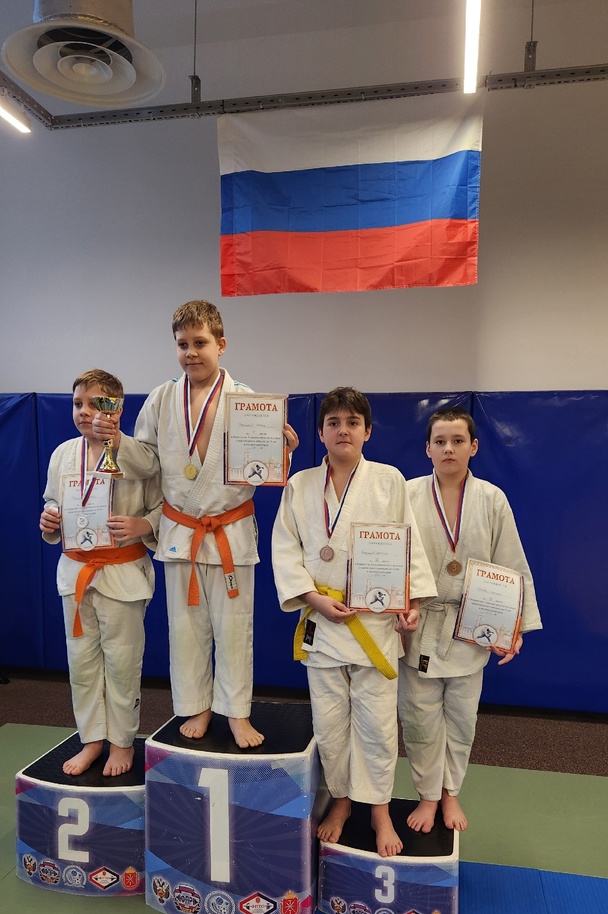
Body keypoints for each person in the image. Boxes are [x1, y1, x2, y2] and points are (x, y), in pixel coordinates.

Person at [93, 299, 299, 748]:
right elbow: (147, 462)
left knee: (234, 628)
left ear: (221, 345)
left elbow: (258, 473)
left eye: (200, 343)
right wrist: (119, 441)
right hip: (181, 530)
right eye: (182, 344)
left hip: (229, 531)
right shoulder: (162, 398)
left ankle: (236, 712)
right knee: (185, 629)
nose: (191, 352)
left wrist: (280, 454)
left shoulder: (248, 401)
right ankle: (196, 707)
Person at [272, 387, 436, 857]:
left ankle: (379, 809)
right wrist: (311, 598)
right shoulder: (300, 484)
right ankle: (342, 801)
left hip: (375, 622)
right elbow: (285, 548)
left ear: (367, 431)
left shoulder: (389, 480)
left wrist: (412, 603)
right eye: (333, 423)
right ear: (320, 432)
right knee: (329, 723)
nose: (342, 430)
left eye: (352, 422)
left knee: (378, 725)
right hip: (323, 621)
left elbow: (409, 545)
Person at [398, 406, 542, 833]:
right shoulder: (406, 493)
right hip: (421, 623)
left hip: (471, 625)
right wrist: (397, 608)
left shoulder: (492, 499)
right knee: (420, 719)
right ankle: (427, 795)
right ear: (427, 448)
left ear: (473, 446)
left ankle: (450, 791)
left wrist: (513, 627)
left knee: (462, 718)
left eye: (458, 441)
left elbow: (512, 564)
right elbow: (391, 557)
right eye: (440, 441)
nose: (449, 449)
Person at [40, 370, 162, 777]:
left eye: (95, 403)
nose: (84, 411)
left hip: (122, 572)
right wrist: (49, 520)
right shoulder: (62, 455)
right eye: (78, 404)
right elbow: (53, 503)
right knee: (82, 663)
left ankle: (122, 742)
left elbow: (163, 507)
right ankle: (91, 739)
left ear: (117, 409)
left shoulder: (140, 455)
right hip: (75, 572)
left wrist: (143, 525)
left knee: (122, 663)